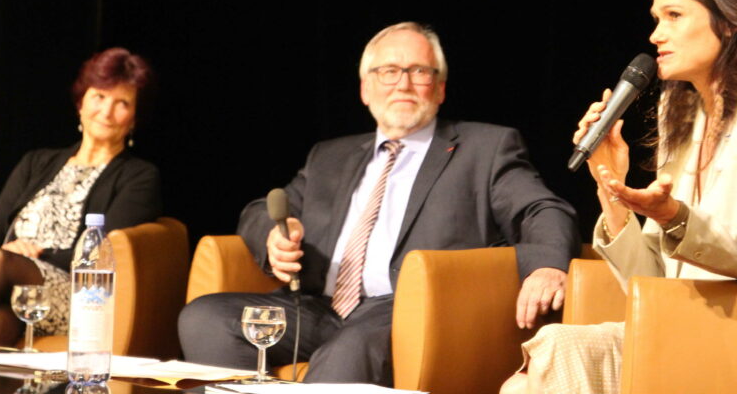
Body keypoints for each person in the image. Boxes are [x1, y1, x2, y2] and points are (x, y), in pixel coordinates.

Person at [179, 21, 579, 386]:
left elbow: (542, 209)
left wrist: (546, 265)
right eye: (388, 71)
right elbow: (259, 210)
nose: (403, 84)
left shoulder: (485, 148)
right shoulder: (329, 156)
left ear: (440, 88)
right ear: (365, 89)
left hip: (408, 308)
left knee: (346, 353)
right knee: (205, 318)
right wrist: (273, 237)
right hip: (320, 307)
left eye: (419, 71)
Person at [501, 0, 737, 394]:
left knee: (546, 364)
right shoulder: (681, 118)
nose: (656, 35)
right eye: (656, 19)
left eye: (674, 16)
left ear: (731, 19)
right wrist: (610, 184)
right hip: (676, 329)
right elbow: (651, 282)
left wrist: (675, 217)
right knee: (533, 372)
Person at [0, 47, 162, 346]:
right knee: (0, 320)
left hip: (78, 294)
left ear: (134, 117)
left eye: (122, 103)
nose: (106, 112)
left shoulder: (139, 177)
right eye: (99, 96)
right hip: (7, 285)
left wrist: (17, 260)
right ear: (81, 101)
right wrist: (10, 255)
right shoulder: (36, 162)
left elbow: (100, 253)